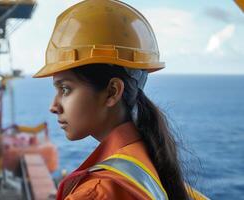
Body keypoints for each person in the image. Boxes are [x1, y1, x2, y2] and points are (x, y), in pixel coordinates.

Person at [33, 0, 209, 199]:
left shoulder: (98, 193)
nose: (53, 106)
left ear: (112, 92)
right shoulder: (149, 165)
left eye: (65, 89)